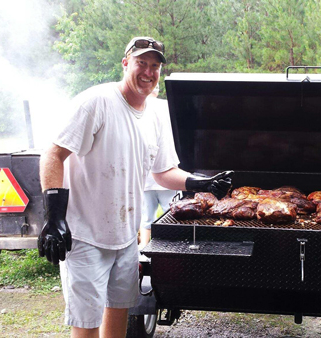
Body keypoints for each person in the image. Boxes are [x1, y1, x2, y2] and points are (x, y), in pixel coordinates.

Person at [38, 36, 232, 337]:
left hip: (125, 237)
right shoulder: (96, 102)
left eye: (155, 66)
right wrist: (54, 217)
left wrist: (198, 182)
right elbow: (53, 154)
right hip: (86, 236)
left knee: (118, 310)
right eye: (142, 62)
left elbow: (164, 172)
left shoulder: (154, 115)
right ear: (126, 62)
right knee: (86, 322)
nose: (148, 71)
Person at [139, 84, 178, 248]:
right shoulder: (165, 106)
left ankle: (145, 247)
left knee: (147, 217)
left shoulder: (159, 107)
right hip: (162, 177)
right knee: (173, 216)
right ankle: (171, 245)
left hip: (160, 176)